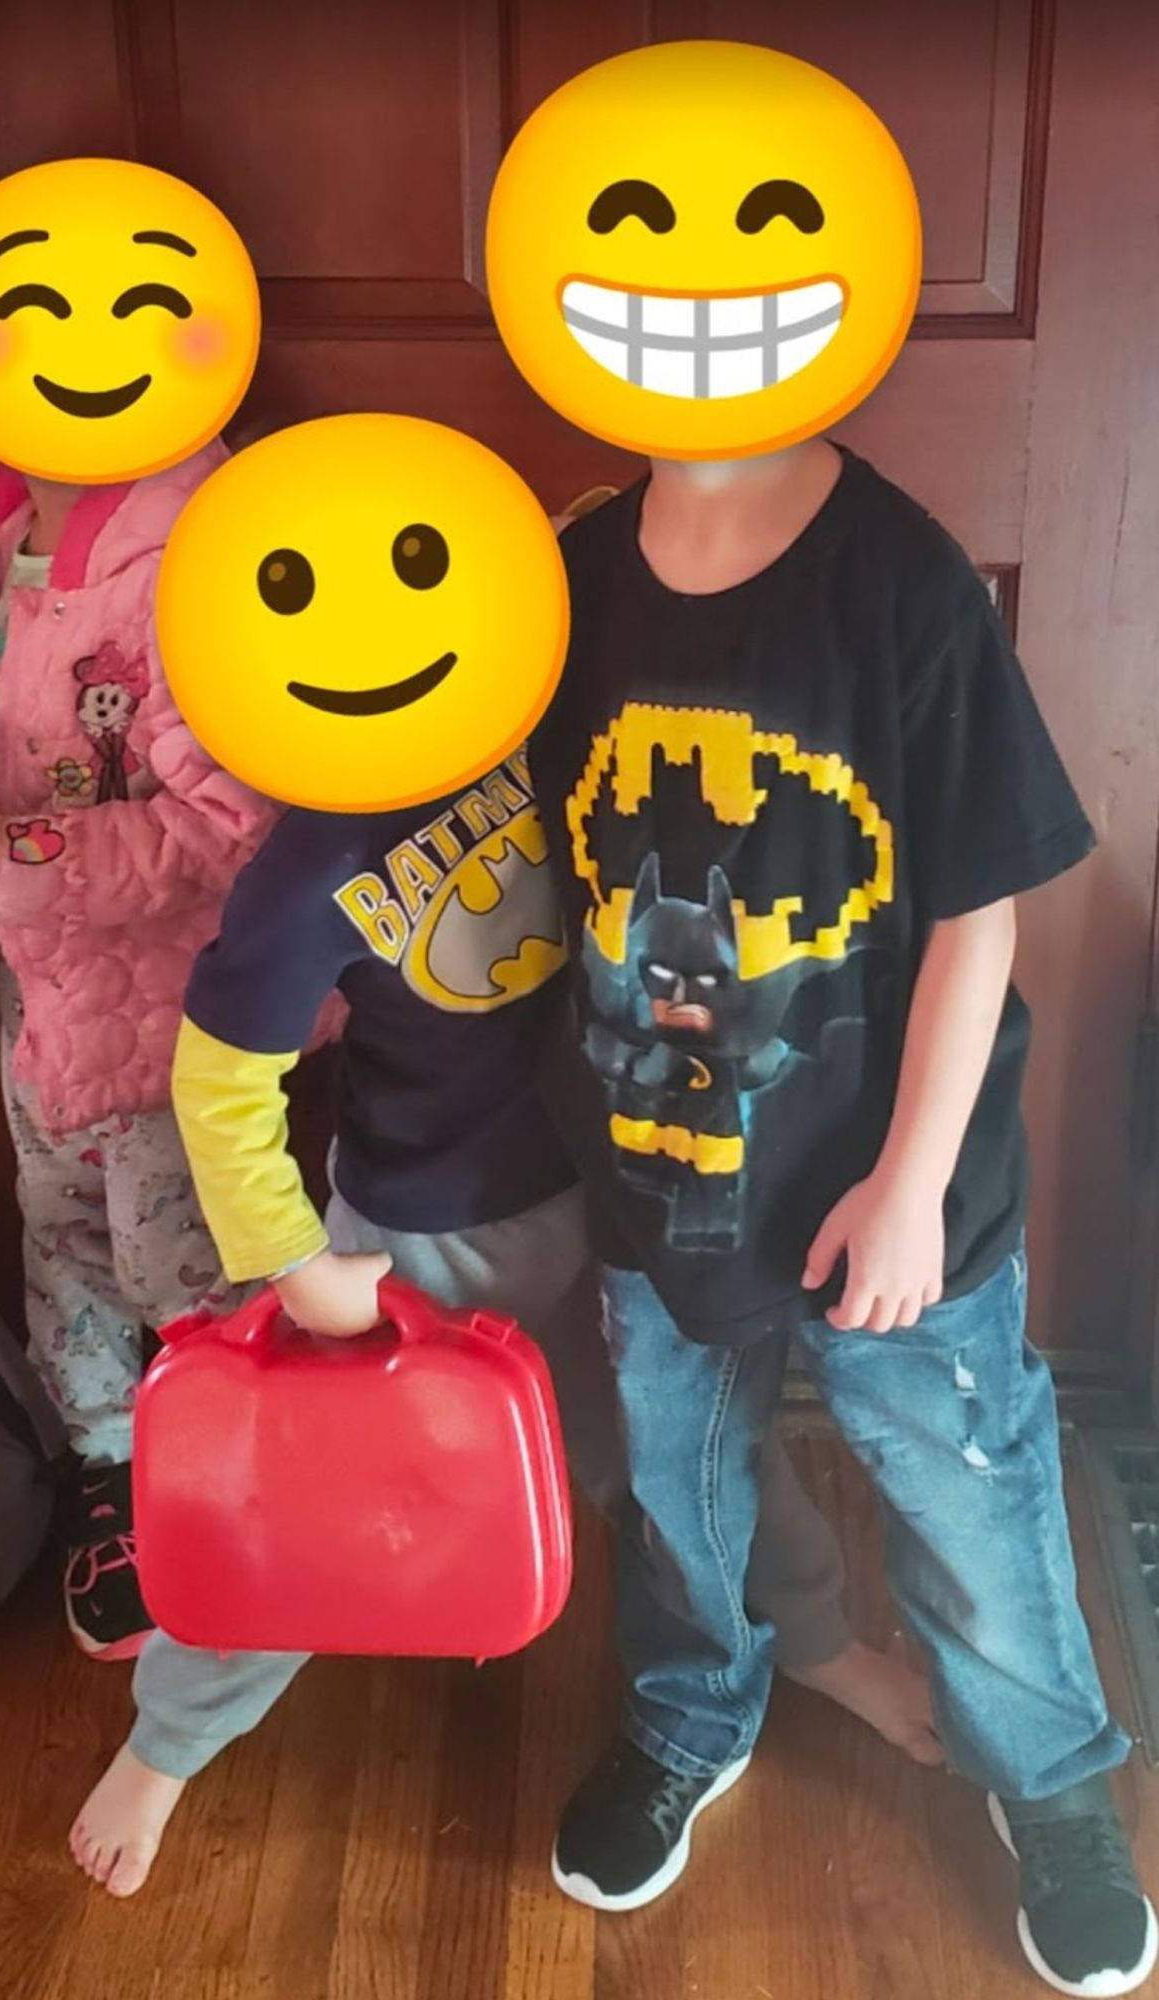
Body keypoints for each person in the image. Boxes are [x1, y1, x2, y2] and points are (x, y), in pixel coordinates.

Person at [69, 750, 942, 1898]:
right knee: (307, 1505)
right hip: (420, 1244)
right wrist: (293, 1260)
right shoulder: (320, 849)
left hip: (614, 1194)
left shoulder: (553, 731)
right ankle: (165, 1746)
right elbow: (222, 1075)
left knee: (686, 1457)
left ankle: (816, 1637)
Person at [522, 442, 1154, 1997]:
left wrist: (913, 1185)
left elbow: (976, 910)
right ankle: (688, 1712)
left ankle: (1050, 1783)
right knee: (680, 1478)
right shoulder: (569, 577)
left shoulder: (900, 577)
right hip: (657, 1166)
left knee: (967, 1493)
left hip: (891, 1187)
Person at [0, 447, 310, 1660]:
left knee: (186, 1266)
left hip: (167, 1005)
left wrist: (37, 853)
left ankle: (232, 1481)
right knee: (58, 1235)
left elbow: (224, 819)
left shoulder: (188, 556)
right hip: (38, 993)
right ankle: (108, 1481)